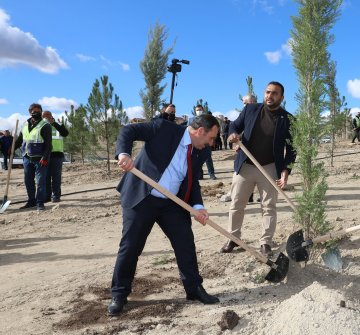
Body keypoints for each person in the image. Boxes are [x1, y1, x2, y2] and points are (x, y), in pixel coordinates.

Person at [107, 114, 221, 316]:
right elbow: (128, 130)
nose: (212, 143)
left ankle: (194, 289)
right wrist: (123, 154)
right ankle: (119, 294)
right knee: (131, 245)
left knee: (185, 242)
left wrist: (197, 206)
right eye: (211, 138)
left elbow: (192, 181)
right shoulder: (164, 129)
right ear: (200, 131)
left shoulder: (201, 153)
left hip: (171, 202)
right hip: (142, 196)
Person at [220, 81, 296, 257]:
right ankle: (234, 238)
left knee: (269, 207)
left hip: (269, 168)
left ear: (282, 97)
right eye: (268, 92)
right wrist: (232, 135)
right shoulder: (250, 109)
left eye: (274, 93)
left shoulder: (288, 120)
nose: (270, 96)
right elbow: (234, 126)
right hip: (245, 165)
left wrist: (285, 171)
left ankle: (265, 243)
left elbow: (292, 149)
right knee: (237, 204)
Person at [14, 103, 52, 211]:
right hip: (27, 157)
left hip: (40, 159)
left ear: (41, 112)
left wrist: (45, 157)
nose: (35, 113)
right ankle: (31, 201)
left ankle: (40, 203)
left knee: (40, 181)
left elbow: (49, 144)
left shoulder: (45, 125)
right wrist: (12, 148)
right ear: (30, 112)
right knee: (28, 181)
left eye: (38, 111)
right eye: (33, 111)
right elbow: (21, 139)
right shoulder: (25, 124)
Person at [42, 110, 69, 203]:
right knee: (46, 177)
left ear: (51, 116)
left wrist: (54, 123)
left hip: (57, 154)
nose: (46, 117)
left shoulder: (58, 124)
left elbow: (65, 133)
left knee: (56, 177)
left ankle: (56, 196)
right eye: (44, 116)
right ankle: (47, 196)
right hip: (45, 155)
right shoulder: (41, 126)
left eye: (48, 115)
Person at [194, 105, 217, 180]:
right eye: (197, 110)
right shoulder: (192, 120)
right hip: (196, 142)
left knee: (208, 158)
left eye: (200, 109)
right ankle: (200, 175)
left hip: (206, 142)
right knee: (197, 159)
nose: (198, 111)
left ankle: (211, 174)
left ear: (203, 110)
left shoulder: (207, 119)